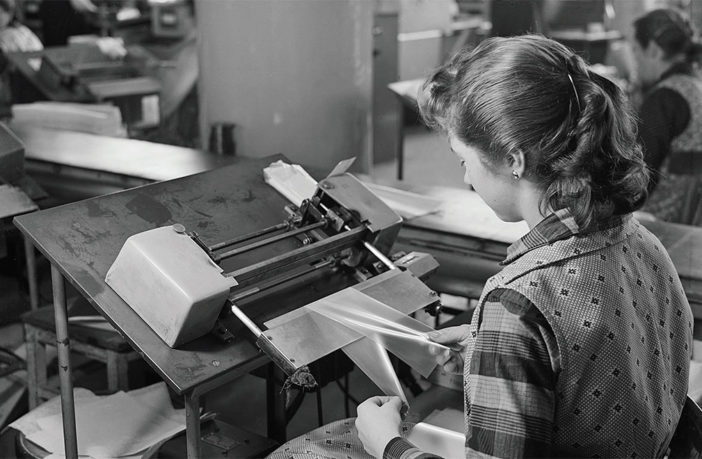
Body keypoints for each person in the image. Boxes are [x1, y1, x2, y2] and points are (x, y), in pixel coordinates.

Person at [268, 35, 693, 459]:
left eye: (463, 160)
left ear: (513, 159)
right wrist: (494, 347)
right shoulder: (644, 243)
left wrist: (389, 445)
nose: (466, 178)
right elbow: (601, 362)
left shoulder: (517, 301)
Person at [632, 8, 702, 225]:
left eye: (636, 51)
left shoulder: (664, 98)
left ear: (653, 49)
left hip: (661, 225)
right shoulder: (696, 86)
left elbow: (638, 178)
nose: (635, 61)